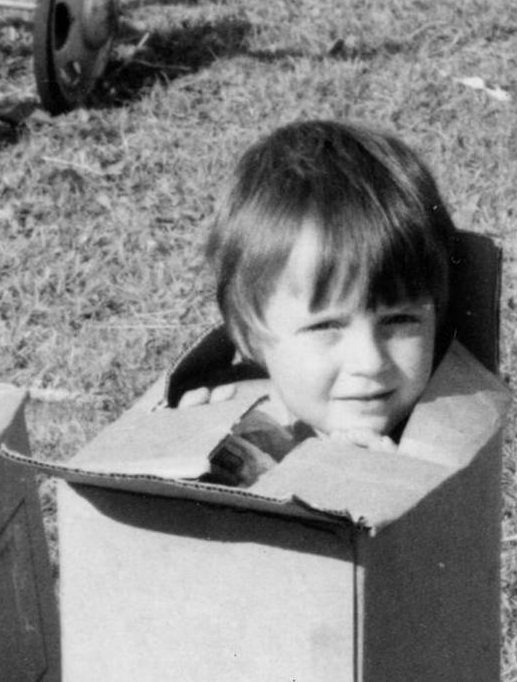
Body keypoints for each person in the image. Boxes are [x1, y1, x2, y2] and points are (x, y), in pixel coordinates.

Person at [180, 119, 457, 485]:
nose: (370, 362)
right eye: (326, 326)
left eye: (398, 319)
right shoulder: (240, 432)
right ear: (250, 338)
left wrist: (402, 493)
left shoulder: (448, 431)